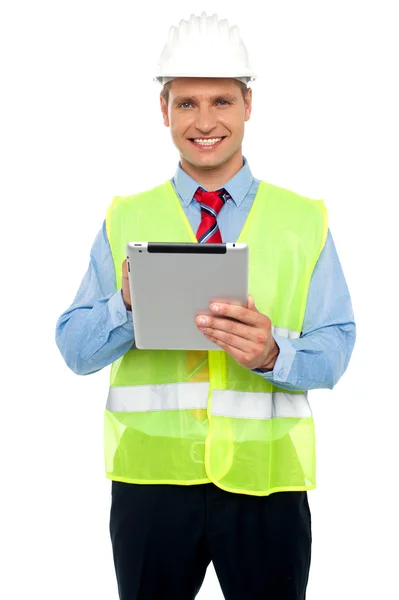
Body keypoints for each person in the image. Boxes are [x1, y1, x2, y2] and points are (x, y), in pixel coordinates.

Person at [56, 12, 356, 600]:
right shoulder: (125, 217)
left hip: (265, 484)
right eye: (187, 103)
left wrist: (275, 353)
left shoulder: (303, 220)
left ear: (248, 105)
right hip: (151, 485)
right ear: (163, 110)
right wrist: (125, 303)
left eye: (221, 100)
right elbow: (74, 348)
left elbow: (337, 345)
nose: (205, 122)